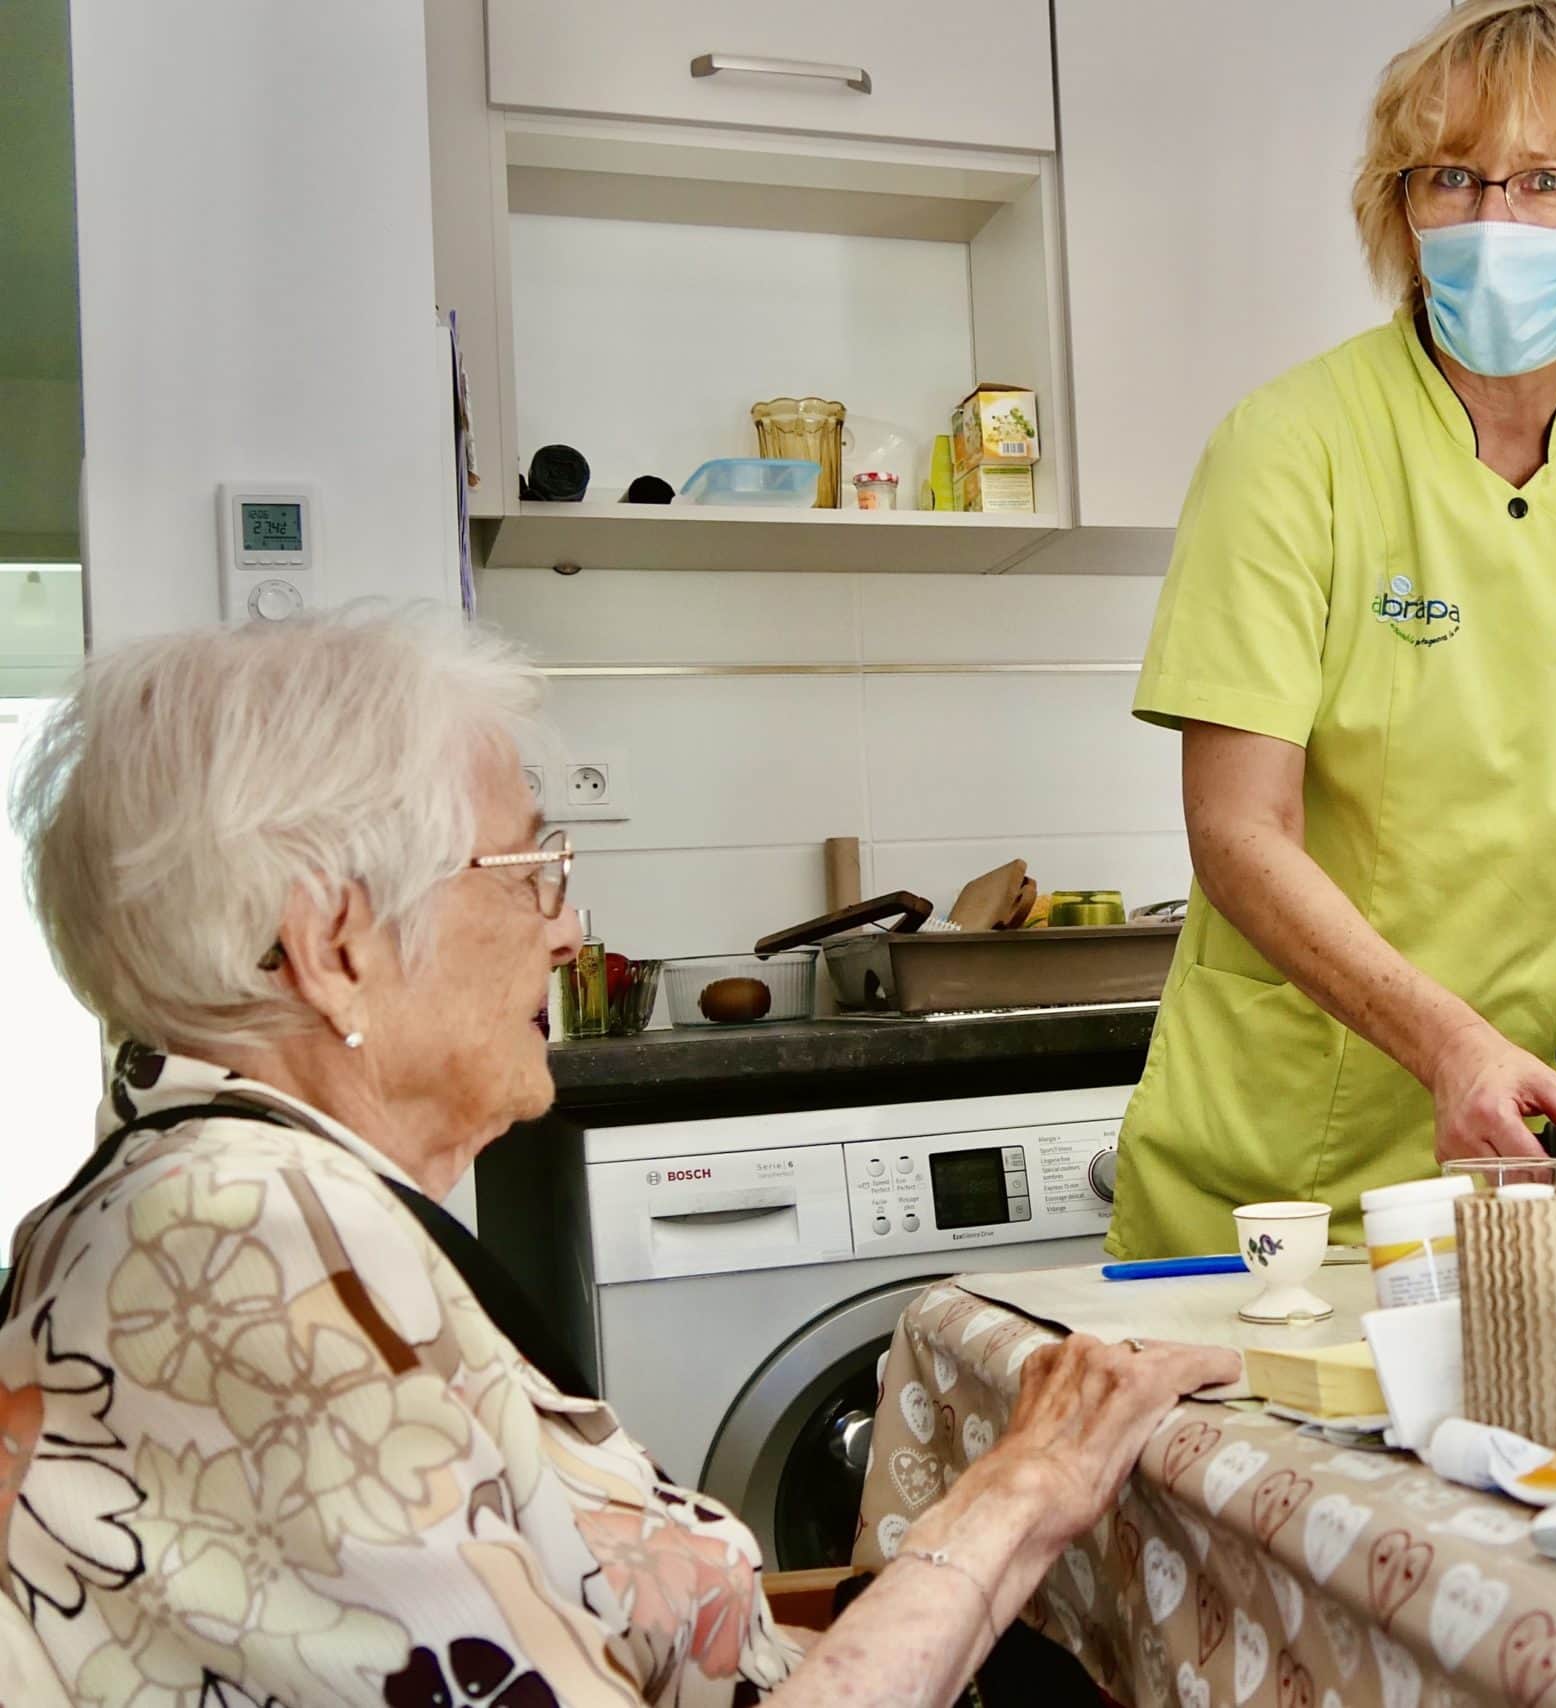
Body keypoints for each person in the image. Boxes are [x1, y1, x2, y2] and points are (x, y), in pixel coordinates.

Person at [1, 609, 1236, 1707]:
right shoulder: (243, 1243)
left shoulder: (251, 1202)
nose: (569, 929)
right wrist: (1020, 1488)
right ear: (334, 946)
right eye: (533, 871)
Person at [1107, 0, 1556, 1258]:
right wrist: (1446, 1041)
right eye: (1453, 178)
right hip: (1278, 1167)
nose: (1497, 221)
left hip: (1515, 1147)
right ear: (1402, 210)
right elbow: (1235, 827)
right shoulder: (1292, 446)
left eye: (1547, 180)